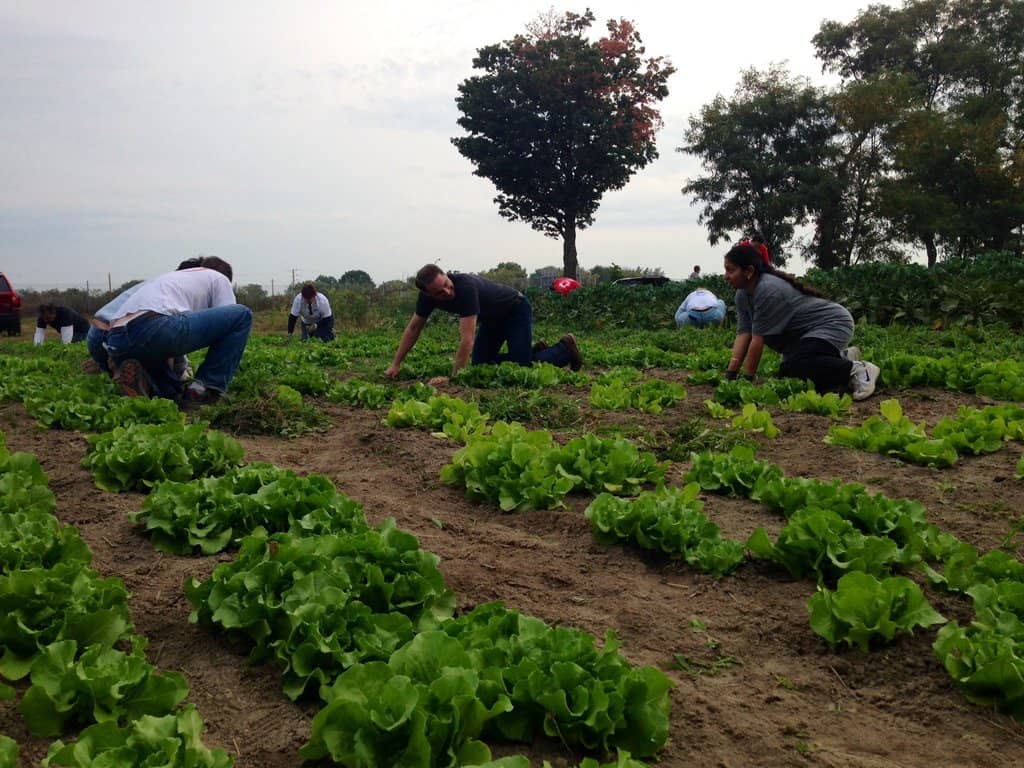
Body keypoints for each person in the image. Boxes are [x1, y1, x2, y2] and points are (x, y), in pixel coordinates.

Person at [722, 243, 880, 400]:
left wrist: (747, 380)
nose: (726, 276)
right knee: (790, 373)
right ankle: (840, 358)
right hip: (805, 338)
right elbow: (744, 334)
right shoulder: (742, 295)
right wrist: (731, 374)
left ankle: (857, 370)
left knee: (797, 366)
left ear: (749, 271)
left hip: (831, 324)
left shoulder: (768, 290)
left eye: (731, 270)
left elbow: (757, 340)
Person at [385, 264, 582, 383]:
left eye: (446, 285)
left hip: (515, 309)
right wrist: (395, 364)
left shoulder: (465, 288)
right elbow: (413, 329)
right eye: (438, 292)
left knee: (520, 368)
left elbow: (467, 339)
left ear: (446, 276)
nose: (446, 292)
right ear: (428, 294)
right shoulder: (426, 299)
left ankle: (564, 349)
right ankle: (534, 352)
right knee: (480, 365)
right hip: (492, 320)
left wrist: (454, 378)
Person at [101, 256, 252, 405]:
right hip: (153, 328)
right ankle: (203, 390)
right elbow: (228, 318)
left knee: (171, 393)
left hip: (117, 341)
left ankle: (144, 383)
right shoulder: (219, 278)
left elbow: (177, 338)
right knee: (242, 315)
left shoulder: (173, 279)